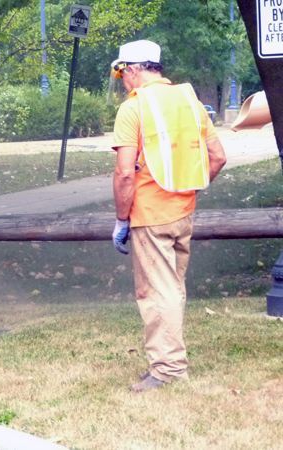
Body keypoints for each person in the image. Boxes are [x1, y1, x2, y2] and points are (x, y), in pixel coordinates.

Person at [109, 40, 227, 392]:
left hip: (150, 215)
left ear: (131, 69)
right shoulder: (189, 100)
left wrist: (120, 219)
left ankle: (168, 369)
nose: (121, 81)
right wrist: (190, 185)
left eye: (120, 73)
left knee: (157, 293)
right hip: (184, 212)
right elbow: (217, 157)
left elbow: (125, 174)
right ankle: (170, 360)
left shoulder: (133, 109)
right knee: (172, 289)